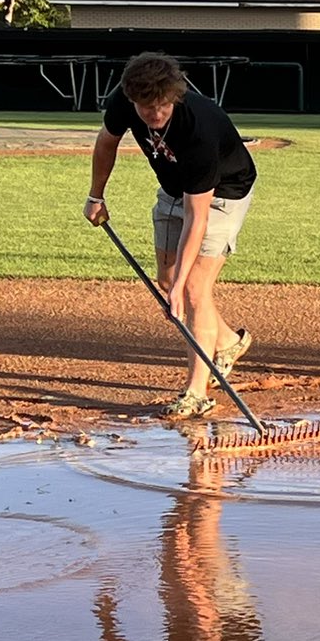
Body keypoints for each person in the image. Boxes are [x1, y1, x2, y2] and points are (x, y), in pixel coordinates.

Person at [84, 52, 257, 420]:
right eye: (146, 107)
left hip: (222, 193)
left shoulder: (200, 129)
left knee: (192, 288)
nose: (154, 115)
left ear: (174, 96)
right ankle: (226, 342)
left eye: (161, 106)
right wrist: (95, 196)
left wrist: (180, 288)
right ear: (132, 98)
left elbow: (197, 219)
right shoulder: (124, 100)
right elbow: (106, 142)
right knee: (167, 278)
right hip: (175, 187)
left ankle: (196, 391)